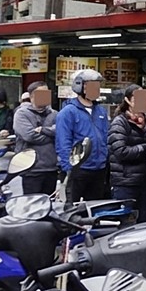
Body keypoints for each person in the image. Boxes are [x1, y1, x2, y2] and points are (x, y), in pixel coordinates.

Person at [56, 69, 110, 202]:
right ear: (80, 86)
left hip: (99, 169)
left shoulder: (101, 111)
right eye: (92, 85)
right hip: (77, 170)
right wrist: (68, 168)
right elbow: (63, 143)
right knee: (71, 209)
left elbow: (106, 137)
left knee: (95, 209)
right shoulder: (68, 112)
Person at [109, 84, 146, 223]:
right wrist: (145, 148)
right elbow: (121, 152)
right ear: (128, 100)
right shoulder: (120, 122)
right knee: (123, 223)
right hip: (125, 181)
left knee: (144, 224)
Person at [12, 82, 57, 195]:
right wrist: (51, 135)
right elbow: (30, 136)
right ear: (32, 96)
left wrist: (43, 130)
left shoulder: (54, 114)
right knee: (31, 205)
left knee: (48, 204)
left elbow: (61, 132)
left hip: (51, 167)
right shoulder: (21, 114)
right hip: (31, 168)